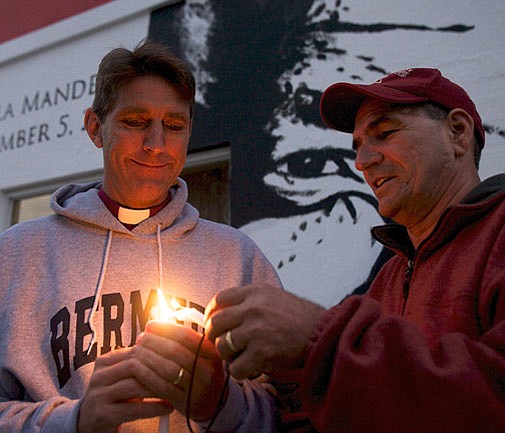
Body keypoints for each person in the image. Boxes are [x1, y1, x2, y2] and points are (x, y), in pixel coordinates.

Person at [0, 40, 281, 433]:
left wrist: (218, 401)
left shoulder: (236, 258)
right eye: (135, 121)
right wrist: (74, 420)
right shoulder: (17, 254)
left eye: (174, 125)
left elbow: (285, 410)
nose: (156, 145)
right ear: (95, 128)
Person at [205, 68, 505, 432]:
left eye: (385, 133)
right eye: (359, 145)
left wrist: (318, 340)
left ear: (457, 133)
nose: (362, 162)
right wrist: (215, 400)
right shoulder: (389, 277)